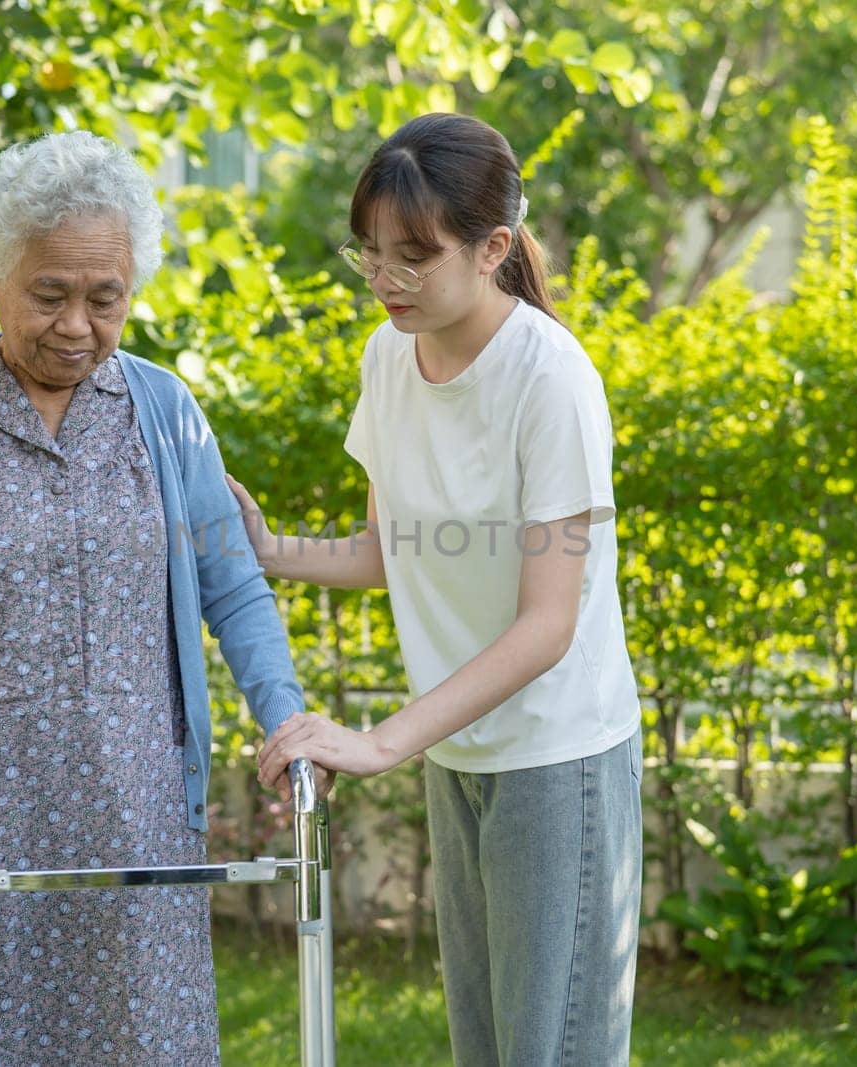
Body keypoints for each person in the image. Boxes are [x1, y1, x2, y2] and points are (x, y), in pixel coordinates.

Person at [0, 130, 311, 1065]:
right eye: (50, 294)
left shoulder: (167, 414)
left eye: (104, 298)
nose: (77, 323)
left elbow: (235, 586)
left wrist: (287, 720)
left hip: (137, 811)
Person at [228, 112, 643, 1066]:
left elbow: (548, 625)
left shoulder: (552, 380)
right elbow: (389, 551)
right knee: (487, 1051)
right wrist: (270, 549)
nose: (385, 279)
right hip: (460, 756)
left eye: (414, 256)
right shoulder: (389, 357)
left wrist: (379, 741)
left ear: (494, 247)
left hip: (558, 759)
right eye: (369, 253)